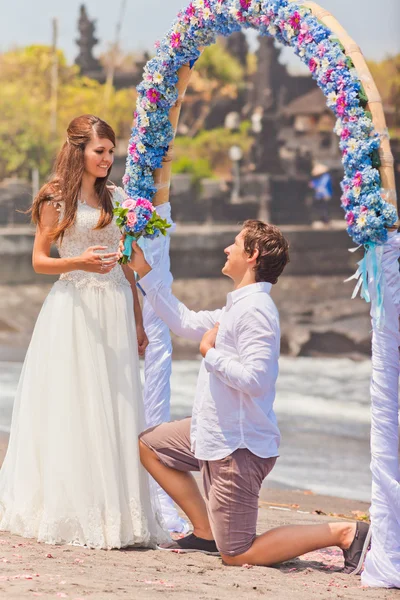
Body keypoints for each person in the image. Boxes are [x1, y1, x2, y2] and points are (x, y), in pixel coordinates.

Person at [124, 220, 370, 574]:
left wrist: (210, 354)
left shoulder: (256, 312)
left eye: (235, 243)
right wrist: (145, 273)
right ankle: (206, 532)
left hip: (236, 450)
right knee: (150, 445)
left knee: (237, 553)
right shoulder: (237, 306)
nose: (227, 249)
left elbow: (257, 380)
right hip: (211, 432)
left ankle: (346, 532)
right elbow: (185, 322)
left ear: (252, 255)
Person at [0, 115, 169, 549]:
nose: (108, 159)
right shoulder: (56, 198)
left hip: (114, 303)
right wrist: (79, 262)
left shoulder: (119, 198)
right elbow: (40, 261)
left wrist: (136, 318)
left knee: (116, 403)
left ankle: (117, 510)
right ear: (79, 150)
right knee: (74, 402)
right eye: (100, 151)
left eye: (112, 152)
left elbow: (129, 265)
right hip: (73, 307)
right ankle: (72, 507)